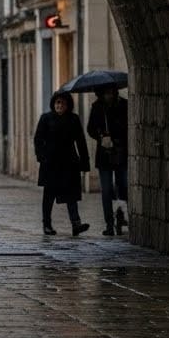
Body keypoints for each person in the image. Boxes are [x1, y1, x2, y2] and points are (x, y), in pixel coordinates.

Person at [34, 90, 91, 236]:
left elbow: (81, 141)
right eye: (57, 102)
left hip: (69, 162)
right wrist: (42, 157)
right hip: (50, 163)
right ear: (53, 104)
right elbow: (38, 139)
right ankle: (47, 225)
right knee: (49, 195)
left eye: (62, 103)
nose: (59, 105)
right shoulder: (46, 119)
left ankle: (76, 224)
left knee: (71, 194)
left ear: (68, 105)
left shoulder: (73, 119)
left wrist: (84, 162)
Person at [87, 86, 129, 236]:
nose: (108, 95)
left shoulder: (124, 105)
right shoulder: (97, 107)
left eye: (110, 92)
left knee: (123, 185)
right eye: (105, 93)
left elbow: (129, 127)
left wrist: (117, 134)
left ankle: (122, 216)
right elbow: (90, 128)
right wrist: (101, 135)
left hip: (121, 152)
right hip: (104, 154)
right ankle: (109, 224)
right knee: (106, 190)